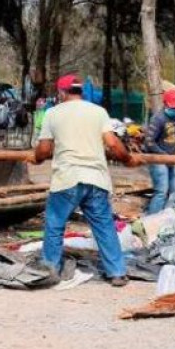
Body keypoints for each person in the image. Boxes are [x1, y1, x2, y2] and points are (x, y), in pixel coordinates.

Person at [34, 74, 137, 287]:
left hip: (67, 178)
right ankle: (116, 272)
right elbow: (113, 143)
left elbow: (44, 149)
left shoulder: (52, 113)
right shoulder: (98, 112)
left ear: (62, 93)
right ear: (80, 91)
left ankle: (50, 268)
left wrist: (35, 158)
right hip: (95, 178)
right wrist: (128, 159)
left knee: (55, 224)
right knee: (104, 226)